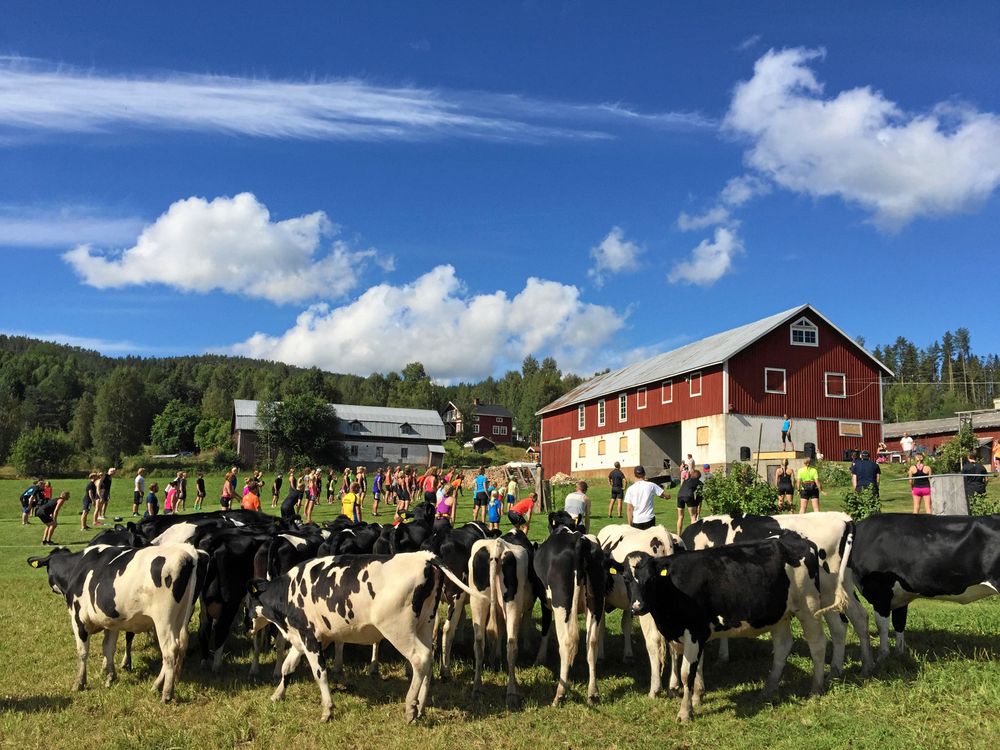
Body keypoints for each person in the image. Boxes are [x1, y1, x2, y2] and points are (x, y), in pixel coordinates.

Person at [623, 465, 668, 530]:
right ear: (644, 474)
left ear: (635, 475)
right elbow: (666, 495)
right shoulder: (651, 485)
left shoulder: (630, 489)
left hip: (637, 520)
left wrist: (630, 526)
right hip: (649, 519)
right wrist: (665, 497)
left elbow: (629, 509)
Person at [675, 469, 703, 534]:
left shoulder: (686, 480)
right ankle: (692, 536)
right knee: (693, 516)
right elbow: (699, 497)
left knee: (680, 516)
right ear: (699, 477)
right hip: (689, 495)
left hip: (679, 496)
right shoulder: (700, 483)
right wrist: (698, 511)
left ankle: (679, 535)